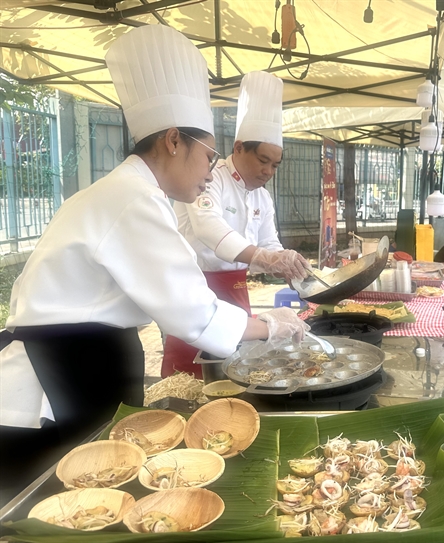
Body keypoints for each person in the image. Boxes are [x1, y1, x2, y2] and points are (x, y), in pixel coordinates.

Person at [0, 26, 308, 501]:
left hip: (77, 367)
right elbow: (192, 312)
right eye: (208, 155)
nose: (210, 171)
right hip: (54, 385)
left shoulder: (130, 193)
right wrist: (270, 325)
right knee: (71, 508)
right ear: (173, 141)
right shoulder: (132, 198)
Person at [162, 71, 311, 378]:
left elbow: (269, 243)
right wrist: (264, 258)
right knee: (190, 377)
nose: (268, 171)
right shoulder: (208, 178)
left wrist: (288, 265)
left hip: (238, 290)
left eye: (275, 165)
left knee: (235, 372)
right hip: (197, 290)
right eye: (263, 160)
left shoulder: (262, 197)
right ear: (239, 147)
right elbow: (208, 227)